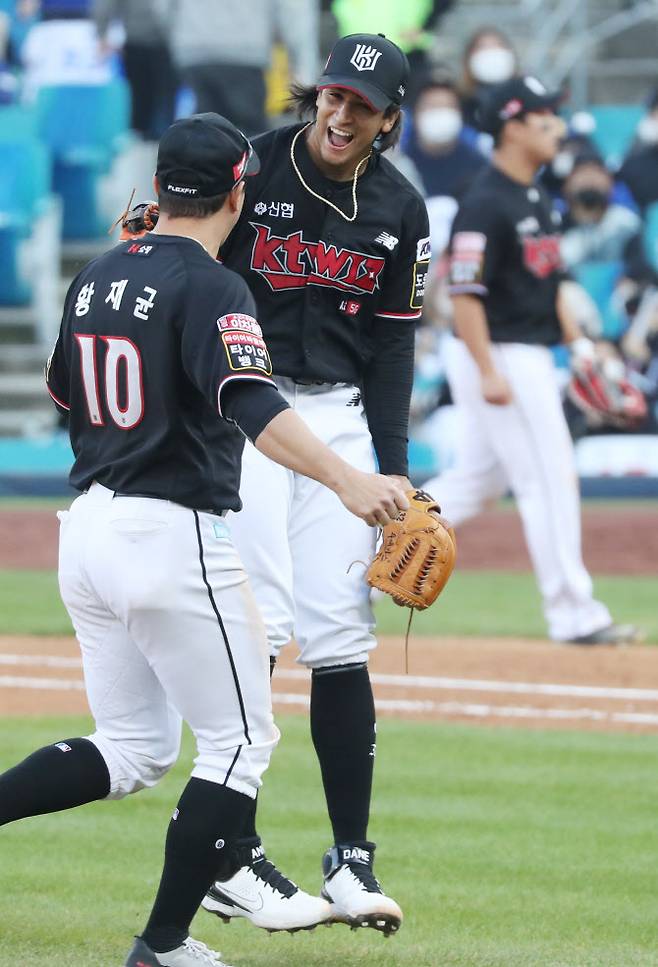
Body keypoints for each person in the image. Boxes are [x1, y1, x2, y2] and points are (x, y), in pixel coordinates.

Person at [0, 113, 408, 967]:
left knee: (135, 747)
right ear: (239, 188)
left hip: (88, 532)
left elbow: (63, 393)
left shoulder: (98, 271)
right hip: (169, 531)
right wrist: (351, 481)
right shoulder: (217, 286)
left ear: (158, 186)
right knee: (241, 743)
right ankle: (163, 943)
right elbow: (252, 403)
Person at [199, 33, 431, 937]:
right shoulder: (250, 166)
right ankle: (234, 850)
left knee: (342, 636)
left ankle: (351, 856)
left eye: (361, 106)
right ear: (316, 96)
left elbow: (394, 341)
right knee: (262, 619)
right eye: (332, 96)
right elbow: (189, 257)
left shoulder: (401, 206)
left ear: (390, 118)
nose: (340, 115)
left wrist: (396, 467)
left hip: (339, 416)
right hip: (247, 404)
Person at [420, 77, 639, 646]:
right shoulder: (486, 200)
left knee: (474, 482)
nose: (559, 128)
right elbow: (465, 295)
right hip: (500, 352)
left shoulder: (536, 193)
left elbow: (553, 279)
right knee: (549, 478)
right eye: (547, 119)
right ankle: (574, 613)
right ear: (513, 126)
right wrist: (489, 369)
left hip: (524, 348)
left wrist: (583, 342)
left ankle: (358, 565)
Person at [459, 26, 517, 130]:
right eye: (483, 47)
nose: (491, 53)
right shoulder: (459, 104)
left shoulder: (528, 99)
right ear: (469, 58)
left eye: (497, 46)